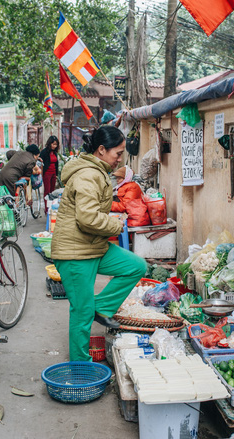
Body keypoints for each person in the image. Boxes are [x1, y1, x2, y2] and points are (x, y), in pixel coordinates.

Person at [50, 126, 147, 362]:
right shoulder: (88, 175)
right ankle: (80, 368)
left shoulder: (97, 171)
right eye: (118, 153)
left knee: (136, 266)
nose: (120, 159)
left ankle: (101, 307)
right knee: (81, 313)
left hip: (92, 246)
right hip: (74, 252)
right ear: (102, 150)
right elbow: (87, 218)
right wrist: (116, 225)